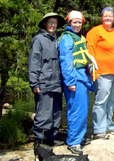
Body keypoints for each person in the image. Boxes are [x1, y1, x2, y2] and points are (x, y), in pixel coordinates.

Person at [86, 7, 114, 140]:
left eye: (110, 16)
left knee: (112, 99)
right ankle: (98, 129)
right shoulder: (95, 32)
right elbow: (90, 53)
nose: (108, 18)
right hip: (102, 71)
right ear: (101, 18)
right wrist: (94, 71)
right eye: (105, 16)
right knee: (101, 101)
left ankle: (109, 125)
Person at [28, 12, 66, 158]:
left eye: (55, 23)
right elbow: (34, 62)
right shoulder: (38, 40)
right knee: (43, 115)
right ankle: (38, 143)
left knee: (56, 114)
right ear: (45, 24)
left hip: (57, 83)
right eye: (50, 22)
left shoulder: (58, 39)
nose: (52, 25)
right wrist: (34, 82)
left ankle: (50, 140)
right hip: (43, 83)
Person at [58, 10, 95, 155]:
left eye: (79, 22)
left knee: (83, 109)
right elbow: (66, 62)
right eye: (75, 22)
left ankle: (78, 138)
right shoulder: (67, 38)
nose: (77, 25)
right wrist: (70, 82)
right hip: (75, 79)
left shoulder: (80, 37)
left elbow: (83, 56)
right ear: (69, 23)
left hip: (82, 77)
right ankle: (73, 142)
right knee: (76, 110)